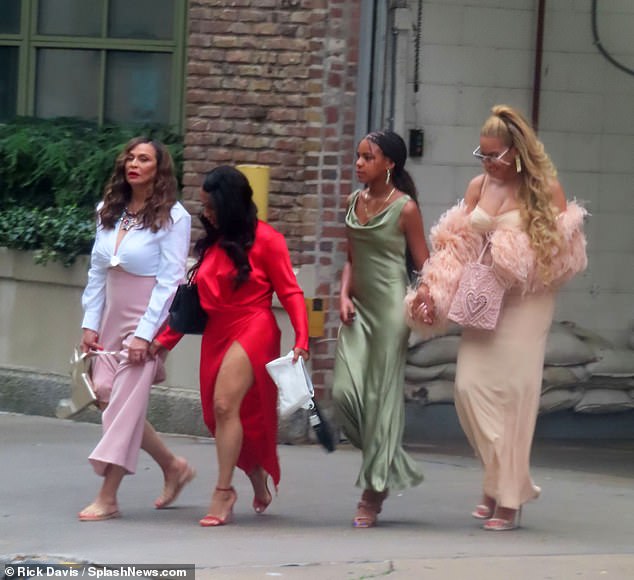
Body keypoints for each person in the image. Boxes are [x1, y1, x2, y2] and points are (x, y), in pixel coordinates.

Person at [408, 105, 588, 531]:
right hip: (486, 296)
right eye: (482, 155)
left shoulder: (546, 190)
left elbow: (564, 258)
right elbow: (454, 246)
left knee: (515, 395)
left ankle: (506, 495)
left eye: (495, 156)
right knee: (468, 388)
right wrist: (429, 291)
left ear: (517, 152)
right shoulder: (478, 185)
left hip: (528, 300)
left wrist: (514, 253)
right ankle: (499, 478)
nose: (488, 163)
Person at [151, 165, 309, 527]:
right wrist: (163, 341)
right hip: (218, 332)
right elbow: (196, 304)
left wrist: (302, 338)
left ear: (230, 204)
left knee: (225, 404)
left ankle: (223, 491)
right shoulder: (211, 245)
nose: (206, 214)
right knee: (219, 414)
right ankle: (256, 474)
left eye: (211, 207)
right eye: (203, 207)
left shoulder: (268, 240)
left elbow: (290, 291)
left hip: (255, 324)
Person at [78, 137, 195, 521]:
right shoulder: (107, 210)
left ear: (158, 169)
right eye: (130, 157)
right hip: (111, 315)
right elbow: (97, 272)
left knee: (124, 406)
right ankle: (172, 466)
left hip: (147, 316)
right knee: (107, 396)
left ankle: (108, 496)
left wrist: (147, 333)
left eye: (143, 159)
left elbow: (171, 280)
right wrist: (89, 323)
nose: (134, 163)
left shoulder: (174, 217)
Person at [332, 130, 431, 528]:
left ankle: (372, 493)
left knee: (380, 396)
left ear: (389, 163)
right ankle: (388, 460)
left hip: (392, 310)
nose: (358, 163)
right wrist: (343, 296)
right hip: (359, 309)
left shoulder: (405, 208)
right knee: (344, 393)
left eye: (367, 157)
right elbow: (351, 258)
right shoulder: (353, 202)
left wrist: (426, 296)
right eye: (357, 156)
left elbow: (424, 263)